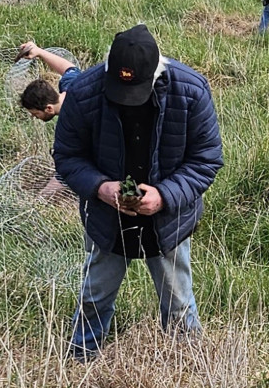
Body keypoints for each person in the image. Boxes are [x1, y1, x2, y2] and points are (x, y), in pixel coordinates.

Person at [52, 23, 223, 360]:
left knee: (178, 300)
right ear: (108, 70)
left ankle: (187, 364)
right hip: (107, 217)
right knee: (94, 295)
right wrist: (101, 188)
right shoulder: (85, 92)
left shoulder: (190, 91)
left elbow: (206, 160)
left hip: (168, 221)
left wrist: (165, 196)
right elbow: (67, 156)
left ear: (157, 71)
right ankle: (80, 359)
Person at [15, 40, 84, 119]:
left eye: (36, 114)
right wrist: (38, 51)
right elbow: (70, 69)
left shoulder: (71, 123)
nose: (34, 117)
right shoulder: (71, 85)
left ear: (49, 108)